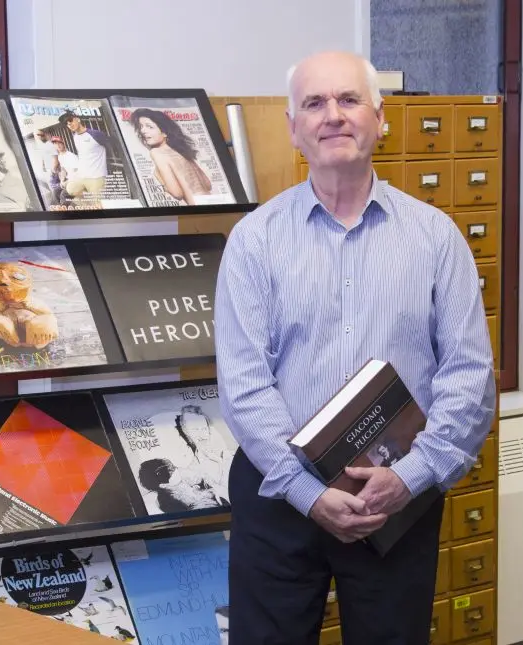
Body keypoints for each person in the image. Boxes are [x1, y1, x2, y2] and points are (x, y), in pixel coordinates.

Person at [214, 51, 495, 645]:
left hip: (395, 495)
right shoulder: (255, 241)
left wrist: (413, 474)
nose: (333, 116)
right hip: (280, 494)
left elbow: (469, 376)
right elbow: (244, 386)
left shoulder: (436, 238)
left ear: (380, 117)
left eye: (349, 100)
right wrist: (310, 493)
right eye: (314, 104)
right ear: (294, 127)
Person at [128, 108, 212, 205]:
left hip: (198, 209)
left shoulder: (156, 152)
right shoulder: (180, 151)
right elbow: (208, 184)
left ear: (165, 132)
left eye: (149, 127)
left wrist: (159, 178)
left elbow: (177, 193)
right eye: (140, 126)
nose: (143, 131)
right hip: (212, 203)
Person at [57, 111, 110, 204]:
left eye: (70, 120)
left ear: (78, 119)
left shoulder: (95, 134)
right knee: (70, 189)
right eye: (66, 123)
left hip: (96, 176)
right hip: (83, 175)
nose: (69, 124)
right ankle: (89, 199)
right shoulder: (75, 136)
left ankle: (94, 199)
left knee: (98, 206)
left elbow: (111, 146)